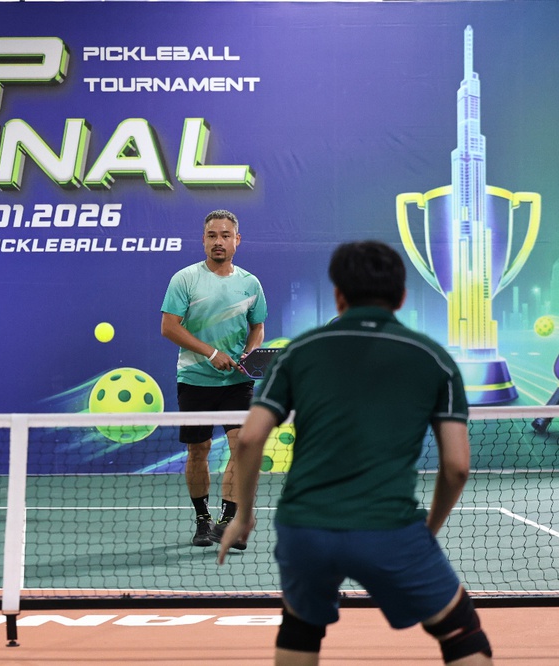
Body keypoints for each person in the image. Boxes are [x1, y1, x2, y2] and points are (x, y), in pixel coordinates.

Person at [217, 241, 493, 665]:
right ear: (401, 298)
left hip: (305, 527)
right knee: (461, 633)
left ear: (339, 296)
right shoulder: (434, 359)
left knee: (300, 628)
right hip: (390, 528)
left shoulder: (297, 351)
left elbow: (251, 438)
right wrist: (427, 531)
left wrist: (244, 515)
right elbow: (456, 467)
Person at [160, 209, 267, 548]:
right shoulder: (185, 279)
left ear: (237, 240)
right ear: (203, 239)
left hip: (237, 383)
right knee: (198, 451)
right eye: (212, 235)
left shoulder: (250, 283)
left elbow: (258, 327)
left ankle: (227, 519)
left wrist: (249, 353)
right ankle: (202, 519)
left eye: (225, 235)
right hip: (194, 380)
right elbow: (169, 327)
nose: (218, 241)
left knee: (242, 448)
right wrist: (210, 353)